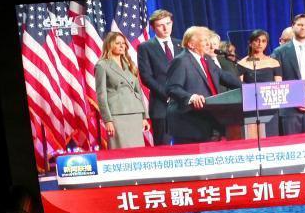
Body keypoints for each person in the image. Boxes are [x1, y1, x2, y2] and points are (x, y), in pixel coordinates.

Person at [166, 26, 242, 144]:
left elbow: (225, 77)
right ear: (191, 44)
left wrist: (248, 87)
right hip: (188, 122)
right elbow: (172, 88)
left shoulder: (206, 59)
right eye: (204, 41)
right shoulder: (181, 60)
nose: (209, 44)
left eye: (209, 40)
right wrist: (191, 97)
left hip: (208, 119)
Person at [95, 31, 150, 149]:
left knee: (137, 151)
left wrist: (144, 117)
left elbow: (138, 92)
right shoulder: (102, 65)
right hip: (117, 115)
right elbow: (101, 95)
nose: (122, 46)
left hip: (135, 113)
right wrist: (108, 120)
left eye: (123, 43)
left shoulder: (130, 64)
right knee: (121, 151)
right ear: (110, 45)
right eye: (118, 43)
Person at [137, 9, 182, 145]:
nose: (165, 28)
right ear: (153, 27)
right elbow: (146, 77)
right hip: (161, 105)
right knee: (163, 146)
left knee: (186, 146)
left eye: (168, 23)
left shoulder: (181, 44)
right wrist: (168, 95)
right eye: (160, 25)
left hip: (184, 105)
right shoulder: (146, 47)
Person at [236, 30, 283, 138]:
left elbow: (278, 85)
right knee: (252, 139)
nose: (260, 44)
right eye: (257, 41)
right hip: (251, 107)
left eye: (263, 41)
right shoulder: (241, 64)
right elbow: (240, 85)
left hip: (270, 107)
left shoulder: (274, 62)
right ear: (250, 43)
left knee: (271, 139)